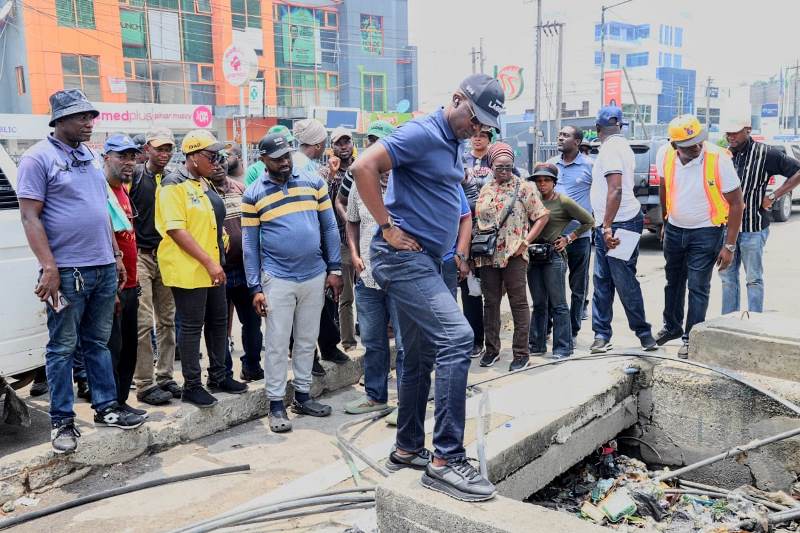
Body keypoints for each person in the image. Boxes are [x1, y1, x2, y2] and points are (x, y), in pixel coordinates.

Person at [350, 73, 503, 502]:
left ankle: (407, 447)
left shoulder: (453, 142)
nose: (476, 130)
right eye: (473, 119)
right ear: (455, 100)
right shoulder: (421, 132)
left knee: (418, 354)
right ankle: (446, 459)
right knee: (458, 338)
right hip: (402, 257)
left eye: (483, 126)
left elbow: (450, 201)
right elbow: (364, 166)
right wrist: (386, 226)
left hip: (431, 260)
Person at [17, 90, 145, 453]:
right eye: (81, 117)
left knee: (98, 342)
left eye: (91, 116)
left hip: (103, 266)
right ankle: (62, 422)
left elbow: (100, 209)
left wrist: (116, 255)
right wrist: (49, 267)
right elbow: (29, 216)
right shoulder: (37, 159)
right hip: (67, 271)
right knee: (62, 347)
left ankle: (106, 408)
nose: (89, 123)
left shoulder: (89, 156)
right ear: (59, 120)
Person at [242, 132, 342, 433]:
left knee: (307, 339)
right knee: (275, 343)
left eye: (287, 156)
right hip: (277, 278)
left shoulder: (313, 182)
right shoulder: (253, 194)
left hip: (314, 274)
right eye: (277, 159)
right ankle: (275, 404)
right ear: (264, 161)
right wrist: (255, 287)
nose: (285, 163)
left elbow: (329, 227)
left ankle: (302, 396)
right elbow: (250, 245)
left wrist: (334, 268)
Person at [157, 130, 248, 408]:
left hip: (213, 268)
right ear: (193, 157)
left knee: (219, 322)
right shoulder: (174, 185)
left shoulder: (203, 183)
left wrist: (217, 254)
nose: (217, 161)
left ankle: (219, 375)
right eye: (211, 156)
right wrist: (208, 262)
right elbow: (175, 229)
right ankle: (192, 385)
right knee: (192, 326)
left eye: (219, 155)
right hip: (190, 270)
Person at [655, 115, 744, 359]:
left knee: (697, 286)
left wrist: (729, 245)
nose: (697, 147)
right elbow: (664, 186)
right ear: (675, 146)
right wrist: (665, 220)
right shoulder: (664, 154)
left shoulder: (718, 159)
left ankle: (690, 337)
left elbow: (737, 204)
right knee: (673, 282)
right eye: (689, 144)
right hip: (674, 229)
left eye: (699, 141)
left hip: (707, 232)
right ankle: (671, 326)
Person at [474, 143, 549, 371]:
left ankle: (521, 353)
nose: (504, 170)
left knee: (518, 303)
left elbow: (542, 216)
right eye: (499, 167)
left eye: (508, 166)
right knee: (491, 304)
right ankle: (492, 350)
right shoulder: (485, 188)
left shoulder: (524, 188)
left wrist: (525, 242)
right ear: (491, 166)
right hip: (488, 256)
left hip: (514, 253)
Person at [590, 106, 657, 353]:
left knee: (622, 280)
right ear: (620, 126)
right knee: (602, 281)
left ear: (598, 129)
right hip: (610, 223)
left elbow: (615, 189)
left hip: (619, 224)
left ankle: (643, 333)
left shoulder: (610, 150)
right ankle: (601, 334)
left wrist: (607, 226)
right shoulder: (622, 147)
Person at [719, 116, 800, 314]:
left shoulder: (766, 154)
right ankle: (728, 322)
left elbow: (797, 171)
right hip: (726, 228)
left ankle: (754, 321)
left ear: (748, 130)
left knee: (753, 278)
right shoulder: (724, 156)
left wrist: (773, 195)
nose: (731, 136)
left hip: (752, 228)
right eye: (728, 132)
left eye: (735, 132)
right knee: (727, 277)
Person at [344, 164, 405, 422]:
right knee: (372, 341)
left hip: (403, 278)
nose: (385, 172)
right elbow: (351, 223)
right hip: (368, 278)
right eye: (381, 167)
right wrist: (355, 255)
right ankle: (375, 397)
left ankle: (407, 402)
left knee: (405, 344)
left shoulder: (407, 186)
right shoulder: (360, 188)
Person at [292, 119, 351, 371]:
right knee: (304, 303)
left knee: (323, 297)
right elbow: (322, 204)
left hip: (315, 242)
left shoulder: (309, 165)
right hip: (304, 242)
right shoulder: (303, 168)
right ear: (318, 144)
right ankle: (309, 357)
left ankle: (328, 346)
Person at [129, 128, 179, 405]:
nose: (164, 153)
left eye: (168, 148)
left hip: (168, 256)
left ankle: (166, 377)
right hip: (141, 256)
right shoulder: (135, 176)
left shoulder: (175, 179)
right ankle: (144, 384)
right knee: (144, 322)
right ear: (147, 149)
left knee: (168, 320)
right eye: (159, 148)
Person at [528, 163, 594, 359]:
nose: (542, 184)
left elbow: (589, 220)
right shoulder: (533, 200)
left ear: (554, 183)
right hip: (533, 255)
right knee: (539, 303)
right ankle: (537, 345)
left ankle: (562, 348)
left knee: (558, 303)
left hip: (553, 257)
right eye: (539, 181)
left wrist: (569, 238)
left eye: (546, 180)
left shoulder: (563, 201)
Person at [102, 134, 148, 417]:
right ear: (107, 157)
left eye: (132, 156)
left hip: (132, 282)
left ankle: (121, 399)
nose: (129, 162)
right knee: (113, 349)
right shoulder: (101, 191)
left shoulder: (122, 190)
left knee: (130, 345)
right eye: (122, 156)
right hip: (113, 283)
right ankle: (110, 404)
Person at [208, 151, 264, 382]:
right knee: (218, 325)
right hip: (217, 269)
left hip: (244, 267)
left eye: (221, 161)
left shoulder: (241, 190)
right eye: (213, 161)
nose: (218, 166)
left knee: (252, 322)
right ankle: (224, 374)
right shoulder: (202, 193)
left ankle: (251, 366)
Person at [550, 126, 594, 341]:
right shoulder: (550, 165)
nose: (560, 137)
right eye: (560, 134)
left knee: (578, 287)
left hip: (579, 236)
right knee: (552, 285)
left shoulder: (589, 166)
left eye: (565, 135)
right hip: (553, 237)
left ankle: (573, 331)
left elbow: (600, 196)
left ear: (577, 141)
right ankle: (552, 328)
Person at [319, 127, 358, 351]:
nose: (343, 146)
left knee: (371, 290)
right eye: (339, 143)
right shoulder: (326, 171)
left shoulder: (360, 166)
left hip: (362, 237)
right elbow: (323, 201)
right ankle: (348, 341)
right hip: (341, 240)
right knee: (346, 296)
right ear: (332, 147)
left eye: (347, 142)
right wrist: (333, 175)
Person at [459, 129, 493, 359]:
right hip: (464, 228)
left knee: (491, 289)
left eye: (483, 134)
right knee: (469, 287)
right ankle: (474, 338)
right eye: (475, 134)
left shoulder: (498, 159)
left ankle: (492, 340)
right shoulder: (462, 160)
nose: (478, 137)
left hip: (490, 233)